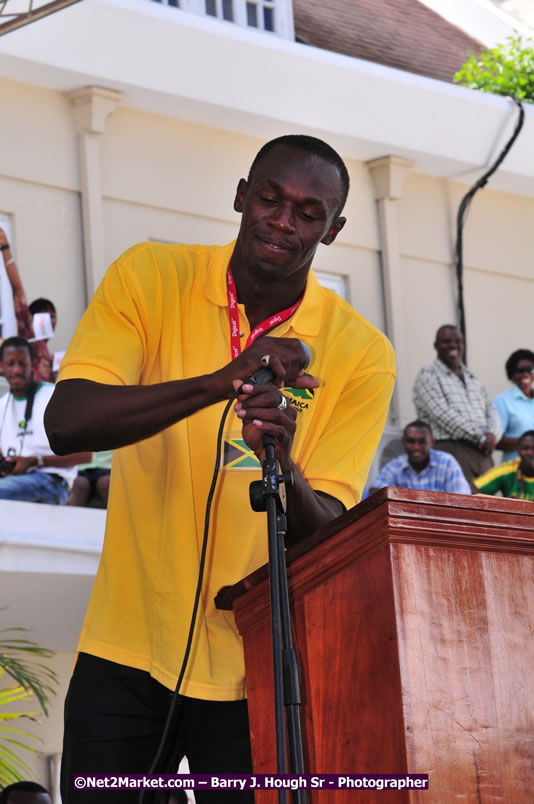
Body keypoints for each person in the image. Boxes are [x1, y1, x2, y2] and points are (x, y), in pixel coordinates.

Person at [44, 134, 396, 802]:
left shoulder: (362, 352)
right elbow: (67, 422)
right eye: (270, 198)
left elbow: (329, 529)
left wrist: (284, 463)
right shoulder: (149, 275)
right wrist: (220, 381)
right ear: (240, 196)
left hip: (257, 667)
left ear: (333, 229)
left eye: (308, 212)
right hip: (125, 649)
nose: (283, 220)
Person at [0, 336, 90, 503]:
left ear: (32, 364)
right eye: (10, 364)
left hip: (52, 481)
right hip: (13, 482)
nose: (17, 370)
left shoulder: (53, 396)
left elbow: (86, 455)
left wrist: (36, 461)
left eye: (22, 364)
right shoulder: (2, 405)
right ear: (1, 366)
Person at [412, 324, 502, 484]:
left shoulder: (471, 377)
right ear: (436, 345)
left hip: (482, 452)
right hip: (450, 450)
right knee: (462, 498)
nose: (453, 345)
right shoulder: (427, 374)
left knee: (487, 499)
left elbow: (491, 409)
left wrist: (493, 435)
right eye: (446, 341)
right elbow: (443, 415)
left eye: (457, 341)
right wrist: (482, 437)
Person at [0, 227, 56, 382]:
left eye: (53, 316)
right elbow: (17, 290)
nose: (52, 321)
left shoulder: (43, 349)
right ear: (32, 318)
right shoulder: (29, 335)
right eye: (47, 316)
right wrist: (5, 248)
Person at [369, 419, 470, 495]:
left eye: (422, 442)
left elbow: (462, 499)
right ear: (403, 442)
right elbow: (375, 492)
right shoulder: (395, 466)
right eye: (411, 441)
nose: (416, 447)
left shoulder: (447, 462)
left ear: (432, 442)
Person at [493, 349, 534, 462]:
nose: (525, 374)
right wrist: (526, 443)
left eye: (530, 369)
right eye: (520, 370)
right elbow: (496, 441)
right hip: (515, 467)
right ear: (512, 374)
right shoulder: (502, 401)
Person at [473, 430, 534, 501]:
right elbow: (472, 490)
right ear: (518, 449)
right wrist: (503, 503)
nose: (530, 453)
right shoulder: (508, 469)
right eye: (525, 448)